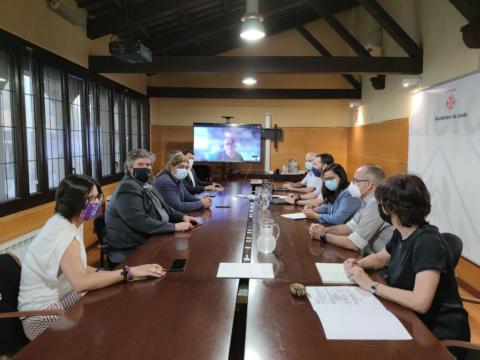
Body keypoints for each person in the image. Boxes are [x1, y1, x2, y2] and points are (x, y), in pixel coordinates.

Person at [17, 174, 166, 340]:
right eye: (90, 198)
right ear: (72, 201)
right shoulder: (63, 232)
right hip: (41, 316)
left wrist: (108, 273)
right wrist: (128, 272)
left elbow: (78, 267)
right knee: (108, 320)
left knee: (112, 295)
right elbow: (80, 283)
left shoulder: (68, 222)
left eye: (97, 196)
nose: (96, 202)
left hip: (61, 297)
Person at [344, 174, 470, 341]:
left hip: (435, 334)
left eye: (380, 203)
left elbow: (420, 302)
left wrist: (370, 285)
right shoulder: (402, 231)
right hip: (409, 317)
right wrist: (358, 264)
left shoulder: (428, 241)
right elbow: (382, 258)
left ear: (391, 208)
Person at [105, 149, 200, 265]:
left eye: (148, 165)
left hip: (153, 237)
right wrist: (174, 226)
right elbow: (140, 222)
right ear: (130, 167)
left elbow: (165, 208)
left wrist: (183, 217)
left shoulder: (147, 183)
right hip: (134, 248)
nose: (145, 168)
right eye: (140, 164)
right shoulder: (127, 188)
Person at [309, 165, 394, 253]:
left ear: (369, 185)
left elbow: (354, 244)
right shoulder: (366, 201)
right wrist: (325, 230)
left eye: (355, 181)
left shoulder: (376, 203)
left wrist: (323, 235)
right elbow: (350, 227)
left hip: (381, 262)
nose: (351, 184)